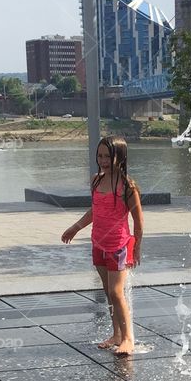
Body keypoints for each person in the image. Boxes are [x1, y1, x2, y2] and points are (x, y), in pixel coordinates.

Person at [61, 135, 144, 355]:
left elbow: (138, 221)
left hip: (118, 245)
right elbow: (95, 210)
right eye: (100, 156)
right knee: (108, 292)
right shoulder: (96, 180)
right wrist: (76, 227)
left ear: (120, 156)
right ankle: (116, 334)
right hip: (98, 242)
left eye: (108, 156)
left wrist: (136, 248)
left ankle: (127, 339)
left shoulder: (128, 187)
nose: (103, 160)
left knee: (117, 292)